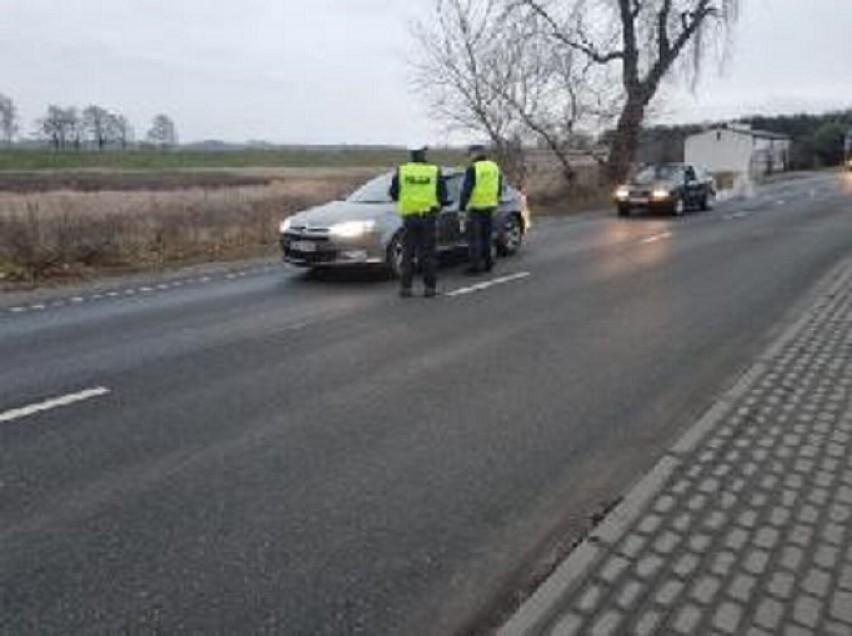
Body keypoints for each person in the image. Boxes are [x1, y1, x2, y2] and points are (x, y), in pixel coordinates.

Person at [389, 144, 447, 298]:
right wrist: (436, 208)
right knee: (428, 253)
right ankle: (430, 288)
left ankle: (406, 288)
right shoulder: (434, 171)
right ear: (424, 154)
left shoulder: (402, 171)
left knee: (408, 253)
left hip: (409, 217)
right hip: (428, 217)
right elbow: (443, 195)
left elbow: (393, 193)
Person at [460, 144, 503, 274]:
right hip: (490, 206)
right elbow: (499, 186)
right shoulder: (494, 167)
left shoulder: (473, 169)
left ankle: (476, 267)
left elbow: (466, 190)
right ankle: (488, 263)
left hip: (476, 208)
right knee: (487, 237)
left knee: (475, 239)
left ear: (475, 154)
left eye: (470, 154)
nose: (469, 158)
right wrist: (496, 199)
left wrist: (462, 207)